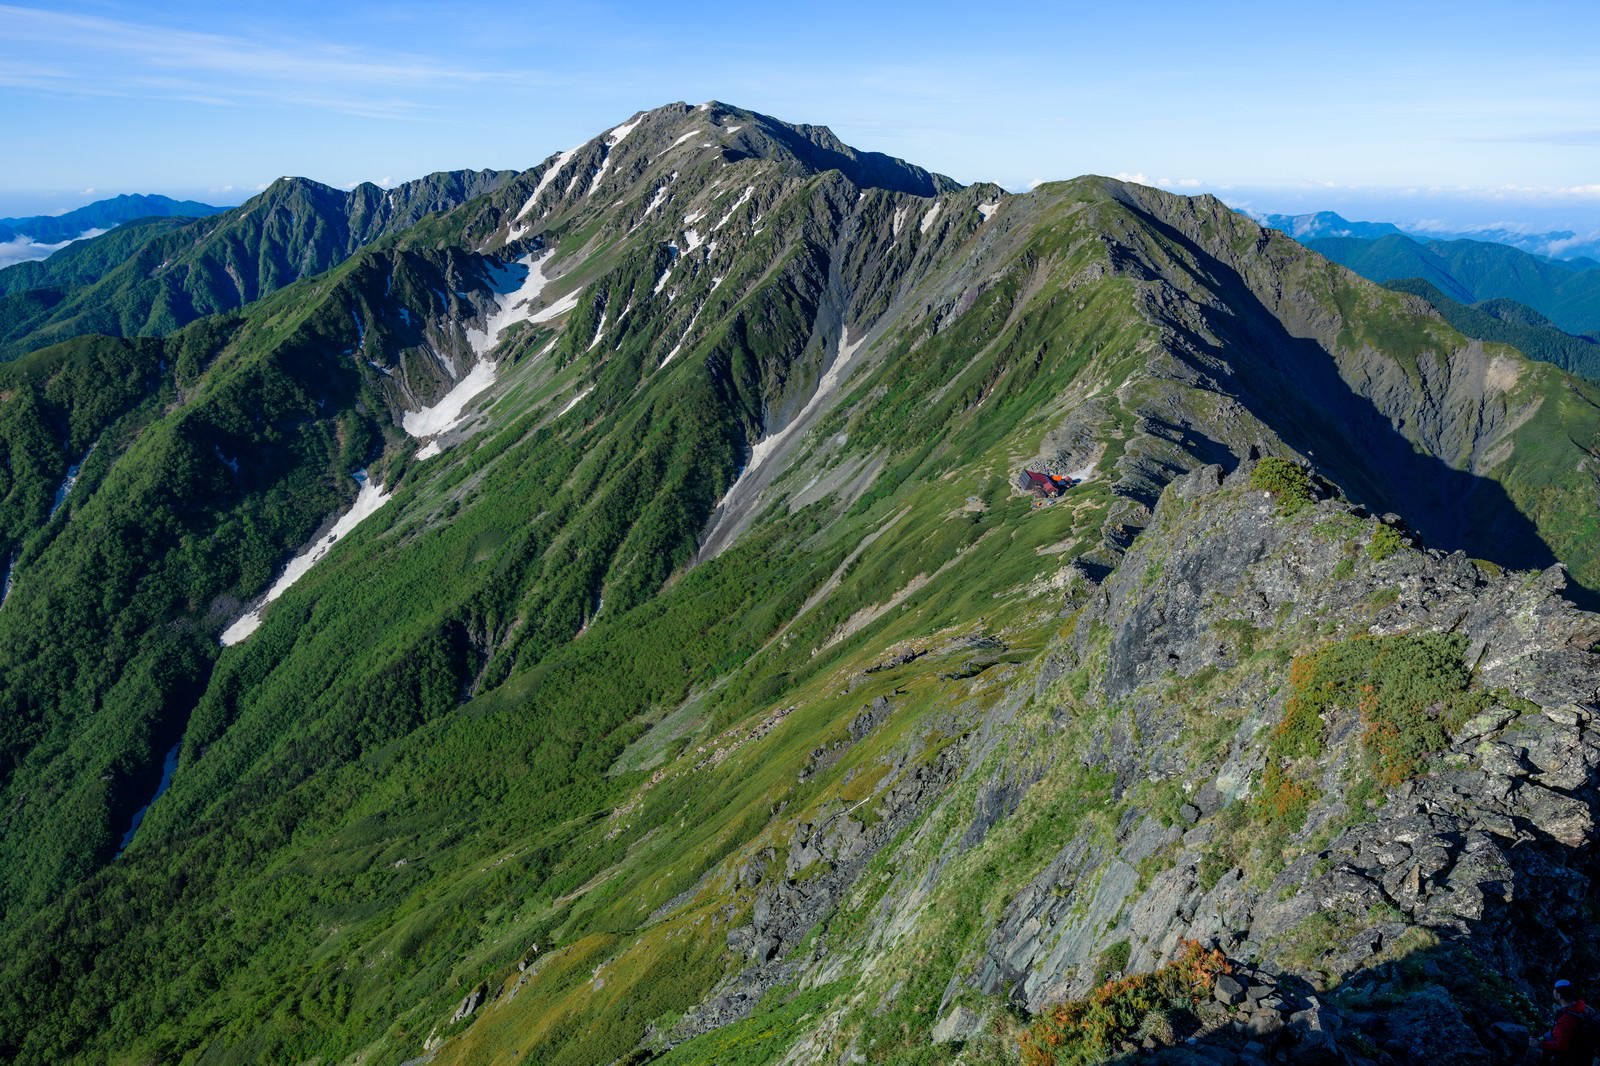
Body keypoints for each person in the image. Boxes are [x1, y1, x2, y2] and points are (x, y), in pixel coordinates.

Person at [1530, 979, 1598, 1065]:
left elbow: (1561, 1046)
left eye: (1555, 990)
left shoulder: (1567, 1018)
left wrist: (1539, 1044)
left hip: (1571, 1060)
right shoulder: (1584, 1008)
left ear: (1559, 996)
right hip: (1585, 1056)